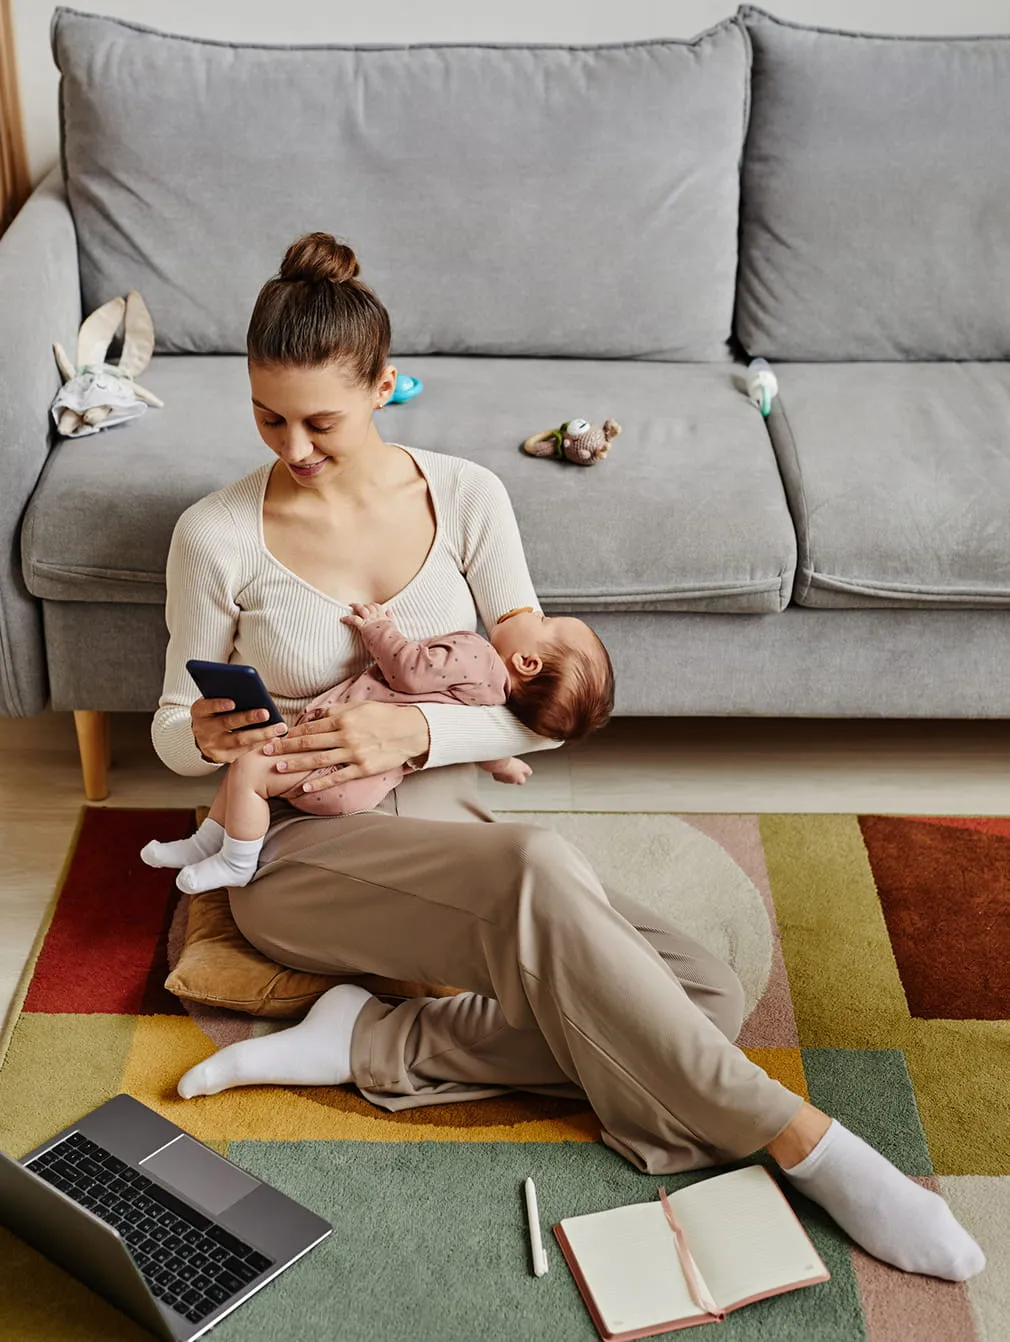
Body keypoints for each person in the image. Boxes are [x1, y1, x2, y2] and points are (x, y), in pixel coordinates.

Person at [150, 231, 984, 1284]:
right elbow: (172, 726)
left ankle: (371, 1046)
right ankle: (801, 1143)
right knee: (545, 872)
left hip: (447, 833)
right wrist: (206, 738)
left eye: (321, 419)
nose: (294, 446)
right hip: (299, 850)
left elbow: (537, 706)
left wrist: (414, 730)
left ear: (380, 384)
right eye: (269, 416)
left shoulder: (465, 497)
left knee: (704, 988)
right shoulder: (215, 532)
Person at [143, 597, 614, 893]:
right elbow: (476, 738)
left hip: (336, 764)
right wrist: (504, 763)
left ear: (527, 661)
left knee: (247, 769)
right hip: (364, 782)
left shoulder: (475, 654)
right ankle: (204, 845)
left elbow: (408, 667)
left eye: (546, 619)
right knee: (253, 769)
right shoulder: (493, 701)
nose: (532, 610)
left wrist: (377, 629)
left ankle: (233, 861)